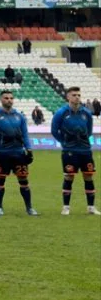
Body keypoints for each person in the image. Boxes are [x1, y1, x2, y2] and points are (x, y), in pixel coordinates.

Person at [0, 91, 37, 216]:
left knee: (23, 180)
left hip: (18, 153)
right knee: (0, 180)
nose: (9, 100)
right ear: (1, 100)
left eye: (11, 98)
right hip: (2, 153)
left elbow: (25, 134)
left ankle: (29, 208)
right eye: (6, 98)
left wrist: (29, 149)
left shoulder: (19, 116)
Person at [51, 87, 96, 215]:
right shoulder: (61, 113)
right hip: (69, 151)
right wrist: (64, 142)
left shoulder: (86, 113)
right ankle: (66, 207)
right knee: (69, 177)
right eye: (74, 95)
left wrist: (82, 142)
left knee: (88, 176)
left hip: (85, 150)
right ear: (68, 97)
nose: (77, 97)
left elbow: (89, 131)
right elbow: (54, 131)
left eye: (78, 95)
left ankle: (91, 207)